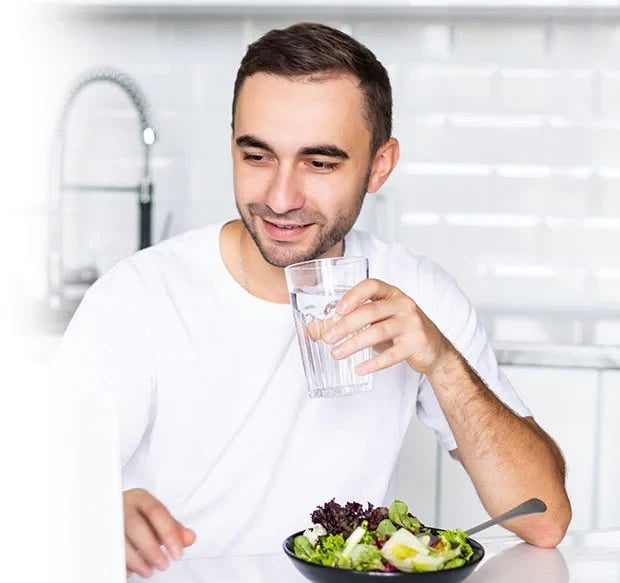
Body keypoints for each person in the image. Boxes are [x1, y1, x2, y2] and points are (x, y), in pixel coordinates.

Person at [54, 22, 571, 579]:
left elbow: (544, 519)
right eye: (257, 156)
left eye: (320, 163)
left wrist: (444, 364)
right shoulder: (138, 299)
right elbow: (35, 488)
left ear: (379, 166)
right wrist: (94, 512)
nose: (280, 198)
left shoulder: (418, 294)